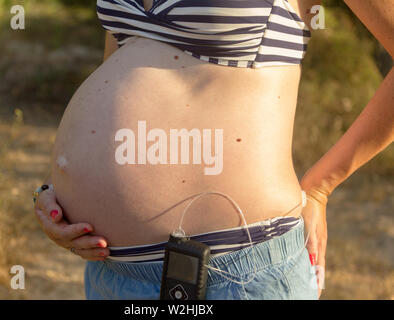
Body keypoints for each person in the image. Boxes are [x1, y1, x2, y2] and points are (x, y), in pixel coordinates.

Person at [33, 0, 394, 299]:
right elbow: (119, 67)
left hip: (237, 273)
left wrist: (320, 186)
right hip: (113, 274)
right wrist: (56, 189)